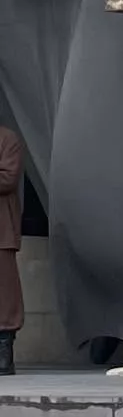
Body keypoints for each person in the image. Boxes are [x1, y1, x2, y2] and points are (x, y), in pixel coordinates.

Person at [0, 124, 23, 376]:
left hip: (1, 229)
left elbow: (8, 177)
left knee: (5, 295)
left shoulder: (7, 139)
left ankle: (4, 350)